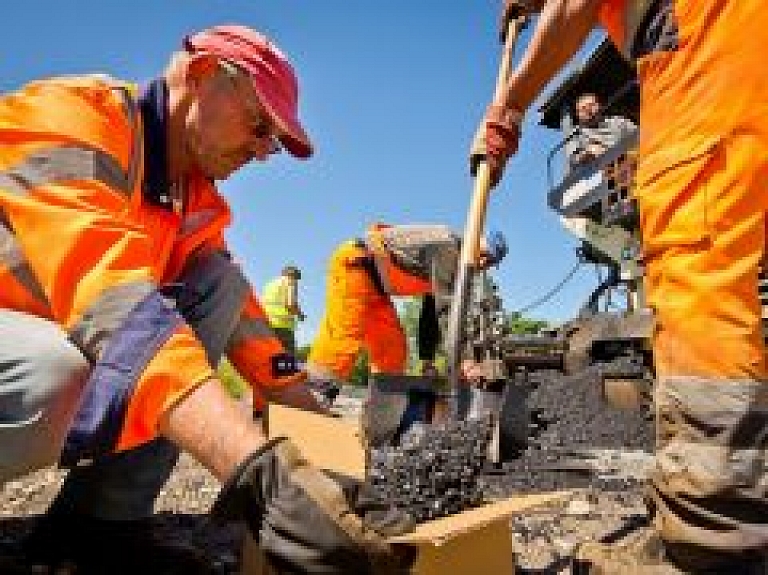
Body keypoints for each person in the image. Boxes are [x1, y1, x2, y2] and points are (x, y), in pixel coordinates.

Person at [0, 24, 411, 573]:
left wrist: (331, 452)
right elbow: (112, 307)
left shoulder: (190, 198)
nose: (265, 151)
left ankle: (100, 528)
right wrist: (257, 472)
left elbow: (247, 324)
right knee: (68, 374)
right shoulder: (74, 117)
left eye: (273, 140)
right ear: (201, 76)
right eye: (260, 125)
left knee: (216, 283)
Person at [478, 0, 768, 572]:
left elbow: (573, 7)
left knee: (699, 269)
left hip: (710, 70)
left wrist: (508, 106)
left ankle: (712, 541)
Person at [306, 223, 507, 384]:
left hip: (376, 287)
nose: (483, 264)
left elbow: (430, 315)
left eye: (489, 263)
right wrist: (467, 360)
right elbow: (446, 310)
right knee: (344, 336)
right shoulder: (448, 248)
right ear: (474, 238)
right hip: (356, 266)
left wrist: (427, 362)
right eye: (485, 255)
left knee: (393, 348)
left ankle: (381, 408)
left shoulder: (450, 265)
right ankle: (315, 392)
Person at [564, 91, 636, 169]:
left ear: (599, 106)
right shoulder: (575, 135)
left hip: (633, 163)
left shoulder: (619, 122)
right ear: (578, 114)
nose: (588, 110)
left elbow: (640, 136)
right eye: (583, 109)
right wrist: (587, 152)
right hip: (603, 174)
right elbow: (573, 160)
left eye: (591, 105)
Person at [262, 264, 305, 354]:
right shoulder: (290, 282)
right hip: (283, 324)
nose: (296, 281)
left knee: (273, 356)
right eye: (297, 279)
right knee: (288, 358)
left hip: (267, 323)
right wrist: (300, 315)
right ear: (294, 275)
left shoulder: (270, 284)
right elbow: (290, 304)